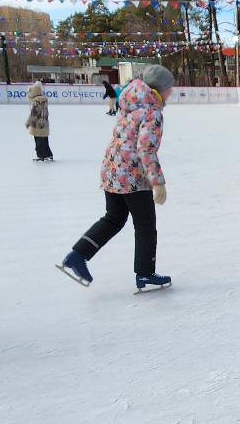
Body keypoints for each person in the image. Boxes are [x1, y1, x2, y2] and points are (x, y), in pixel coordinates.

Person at [56, 65, 174, 293]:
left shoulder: (130, 106)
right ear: (160, 89)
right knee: (145, 224)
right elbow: (146, 148)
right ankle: (145, 273)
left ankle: (77, 255)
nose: (171, 93)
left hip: (111, 170)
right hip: (132, 175)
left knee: (114, 218)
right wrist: (158, 182)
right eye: (170, 89)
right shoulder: (152, 112)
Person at [26, 81, 53, 161]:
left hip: (37, 125)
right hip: (45, 124)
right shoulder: (44, 101)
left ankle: (41, 155)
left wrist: (28, 123)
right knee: (44, 140)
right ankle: (48, 154)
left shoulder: (36, 103)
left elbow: (33, 115)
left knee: (38, 141)